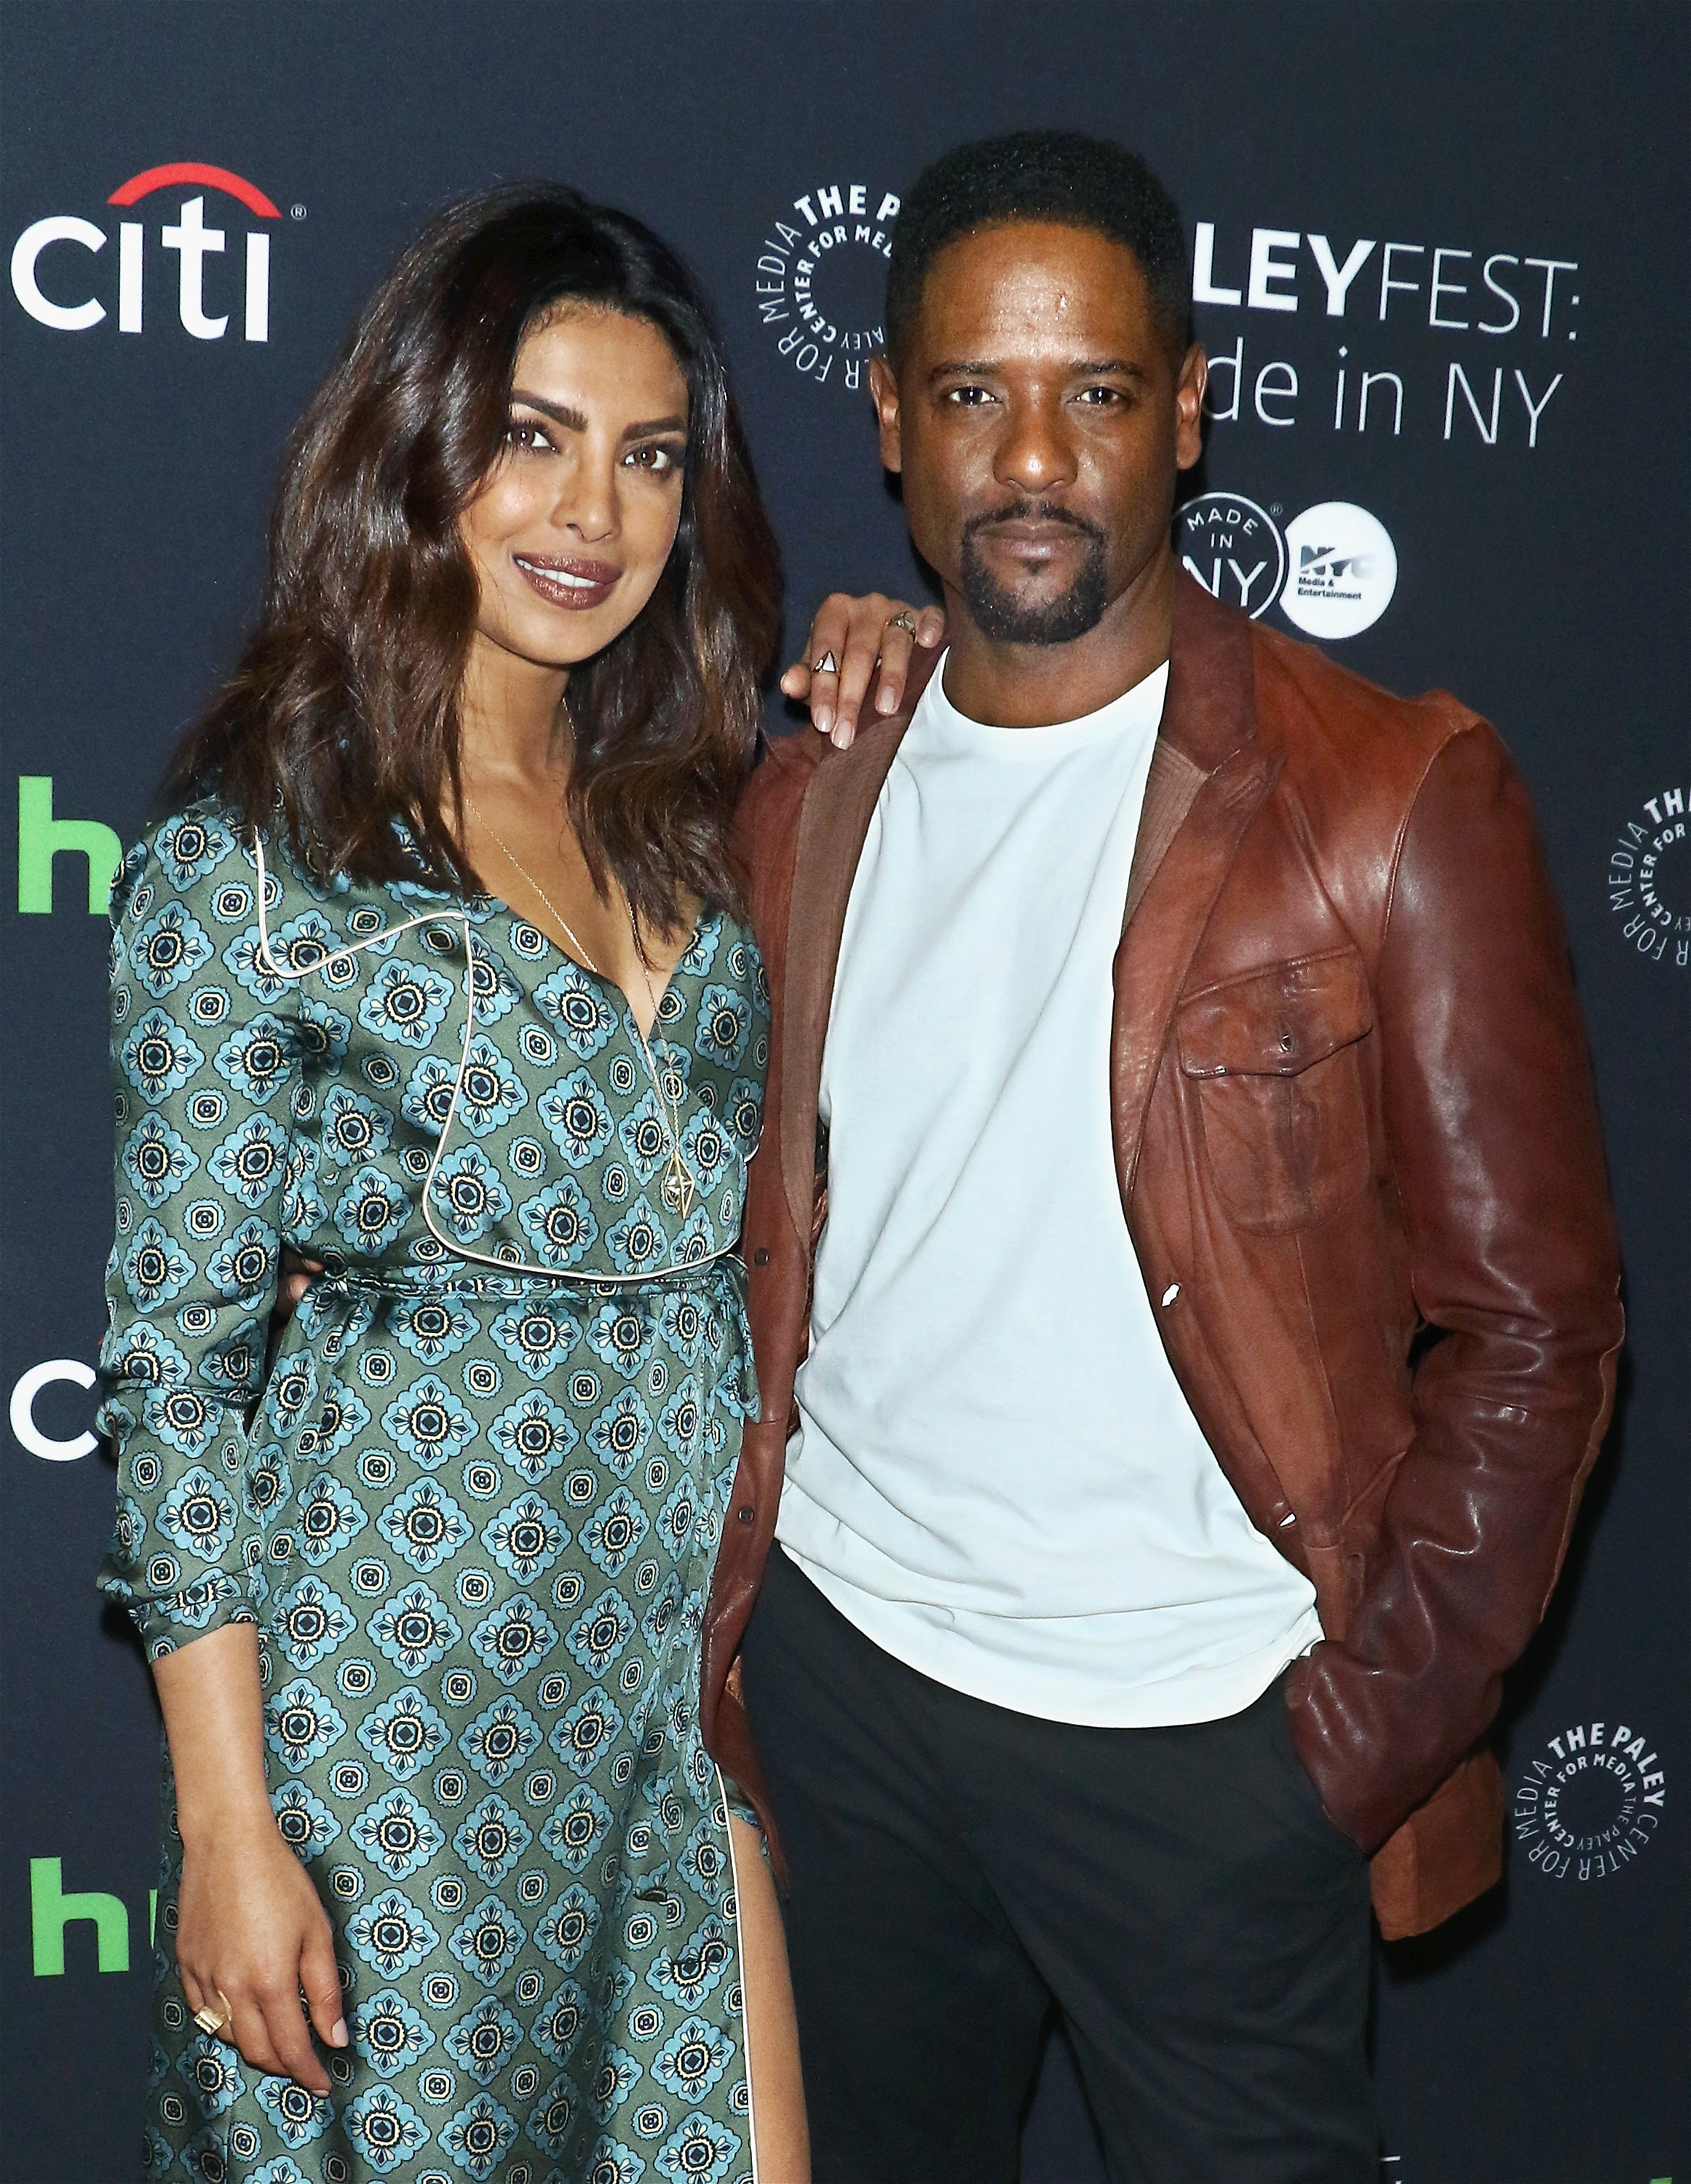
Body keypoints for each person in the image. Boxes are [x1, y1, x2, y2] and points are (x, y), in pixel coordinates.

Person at [705, 132, 1624, 2181]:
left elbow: (1538, 1332)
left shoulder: (1388, 794)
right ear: (887, 419)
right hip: (847, 1703)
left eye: (1096, 394)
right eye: (969, 395)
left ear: (1188, 408)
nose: (1031, 459)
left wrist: (1340, 1752)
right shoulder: (807, 787)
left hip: (1204, 1756)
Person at [97, 183, 917, 2184]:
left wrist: (908, 649)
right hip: (383, 1742)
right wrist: (230, 1831)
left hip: (667, 1712)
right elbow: (175, 1377)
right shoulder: (263, 857)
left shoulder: (697, 815)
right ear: (423, 451)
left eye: (649, 456)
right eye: (533, 435)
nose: (593, 512)